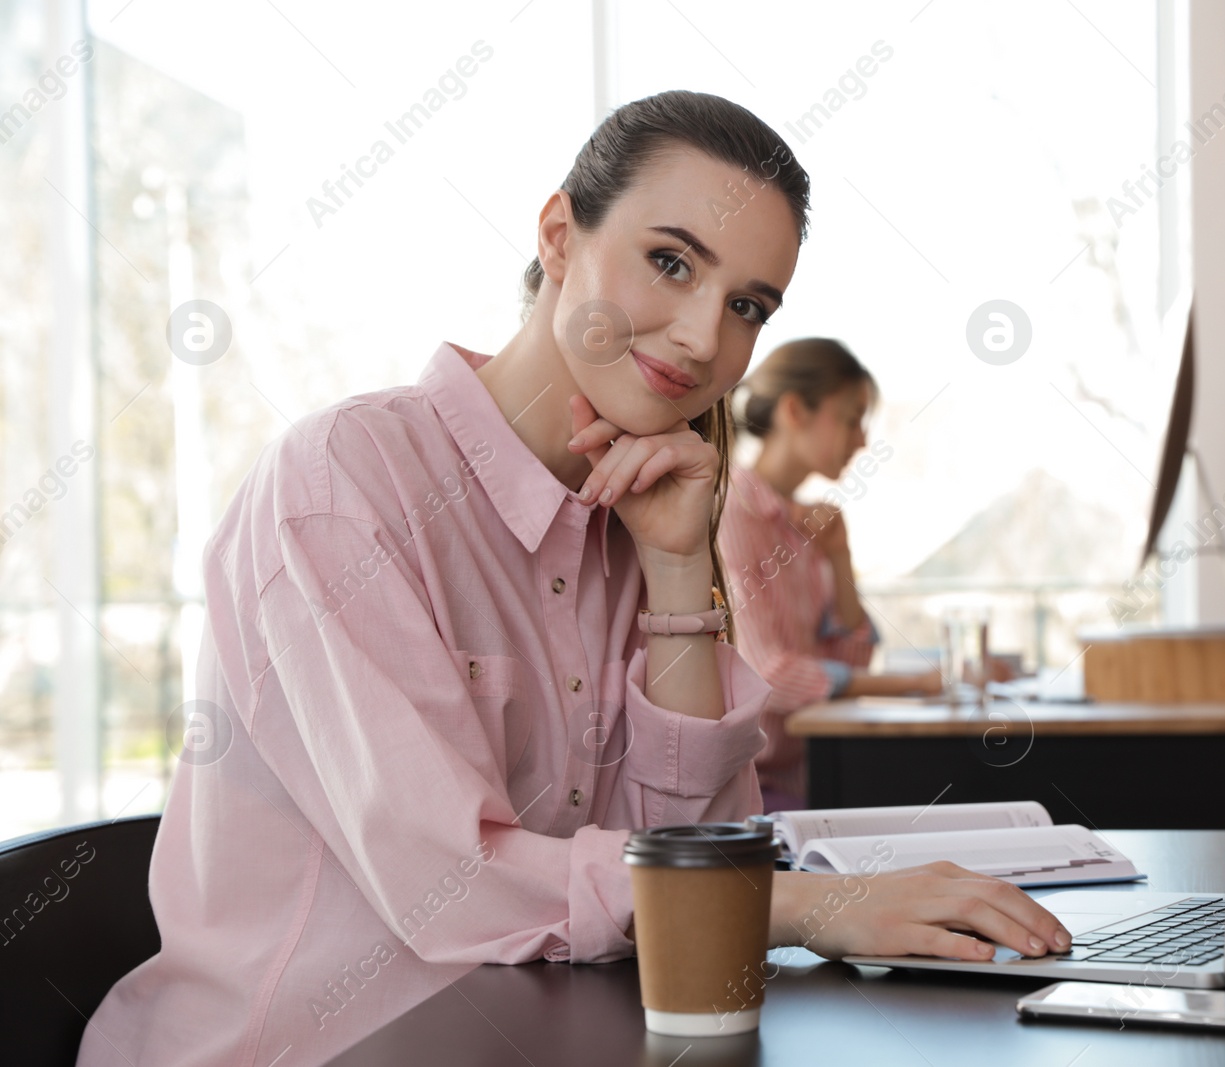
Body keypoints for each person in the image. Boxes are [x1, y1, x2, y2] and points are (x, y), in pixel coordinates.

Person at [78, 91, 1070, 1067]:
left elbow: (694, 858)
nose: (700, 336)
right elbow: (453, 880)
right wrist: (814, 907)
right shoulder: (342, 484)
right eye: (669, 261)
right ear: (559, 234)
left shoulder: (642, 510)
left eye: (746, 307)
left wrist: (680, 568)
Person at [719, 339, 954, 812]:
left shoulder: (804, 524)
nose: (863, 440)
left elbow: (854, 657)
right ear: (794, 410)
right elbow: (767, 675)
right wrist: (920, 684)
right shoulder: (735, 509)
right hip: (750, 792)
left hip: (807, 776)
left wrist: (840, 557)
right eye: (851, 418)